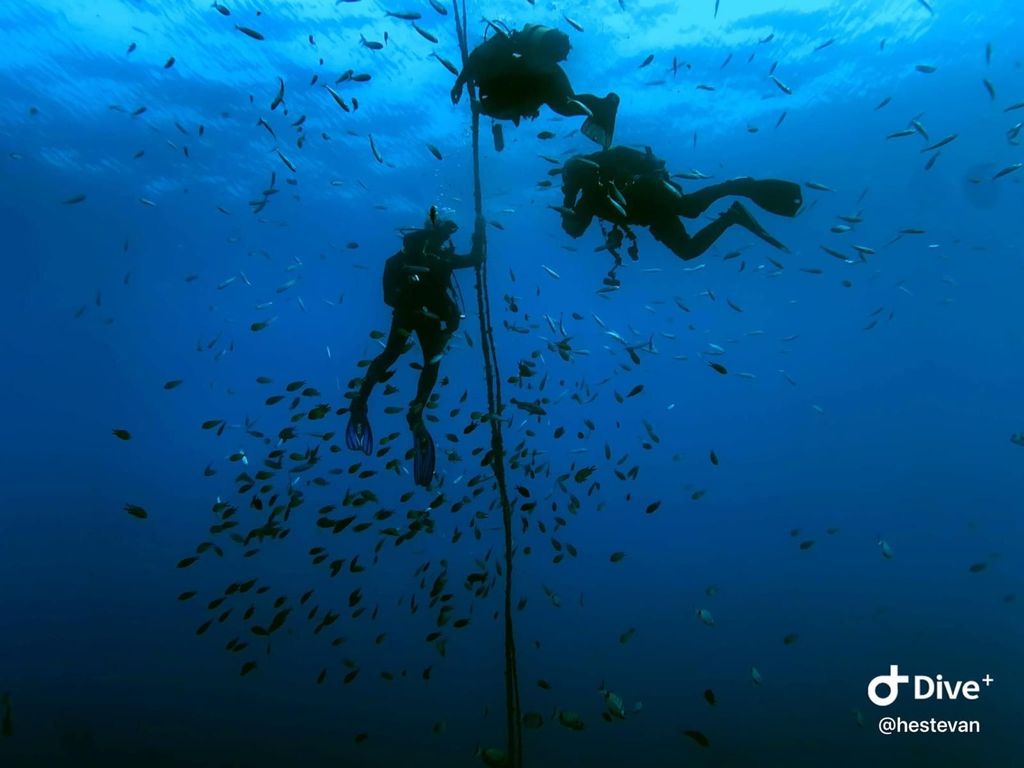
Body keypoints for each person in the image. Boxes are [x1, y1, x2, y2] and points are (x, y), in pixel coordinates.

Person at [345, 208, 485, 487]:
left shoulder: (401, 259)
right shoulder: (433, 257)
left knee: (393, 355)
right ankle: (414, 410)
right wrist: (479, 234)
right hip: (424, 318)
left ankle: (362, 401)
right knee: (430, 362)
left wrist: (478, 234)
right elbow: (475, 257)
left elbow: (388, 298)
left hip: (410, 316)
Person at [557, 145, 804, 268]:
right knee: (687, 251)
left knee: (690, 208)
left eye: (570, 178)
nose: (569, 183)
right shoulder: (587, 200)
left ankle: (735, 186)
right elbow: (575, 229)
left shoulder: (607, 165)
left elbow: (651, 162)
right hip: (651, 217)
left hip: (653, 191)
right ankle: (732, 216)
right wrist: (567, 201)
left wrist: (569, 195)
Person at [450, 22, 620, 150]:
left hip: (537, 78)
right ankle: (605, 104)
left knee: (567, 105)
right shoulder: (503, 56)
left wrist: (459, 84)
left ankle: (603, 107)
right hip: (545, 75)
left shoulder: (492, 72)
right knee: (569, 104)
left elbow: (477, 59)